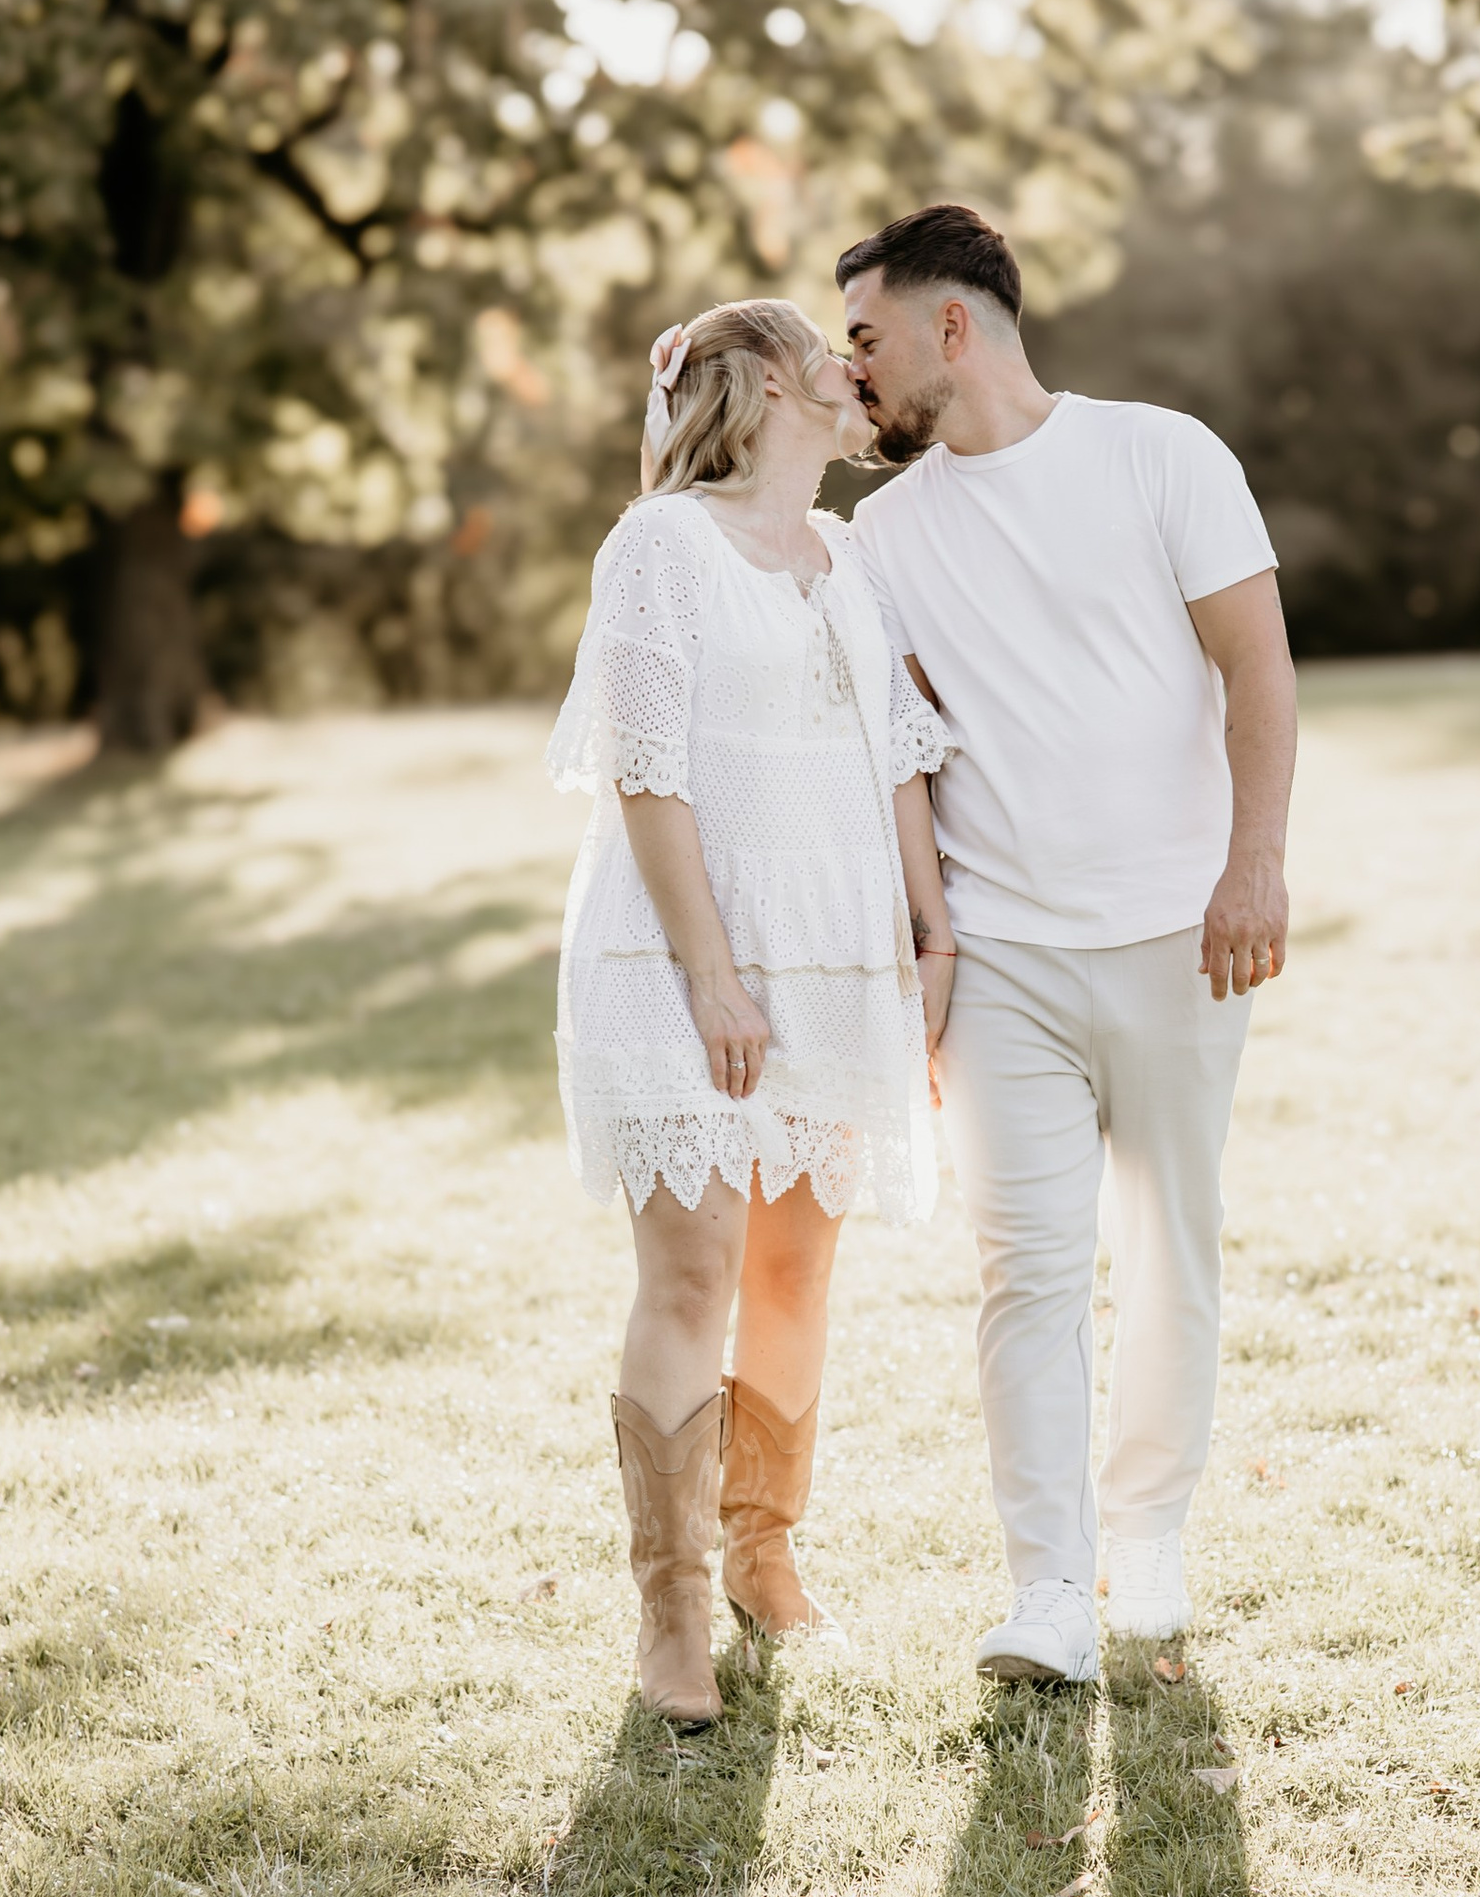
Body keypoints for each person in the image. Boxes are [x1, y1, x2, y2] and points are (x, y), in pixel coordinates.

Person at [840, 201, 1297, 1688]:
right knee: (1022, 1270)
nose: (854, 373)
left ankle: (1145, 1538)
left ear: (950, 326)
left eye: (866, 338)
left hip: (1180, 935)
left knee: (1171, 1246)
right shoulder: (883, 534)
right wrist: (927, 947)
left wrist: (1255, 867)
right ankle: (1046, 1590)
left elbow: (1258, 672)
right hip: (1003, 961)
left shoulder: (1164, 455)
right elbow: (901, 752)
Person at [549, 300, 958, 1728]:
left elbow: (900, 756)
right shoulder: (658, 546)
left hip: (837, 953)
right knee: (690, 1273)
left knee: (796, 1271)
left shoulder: (847, 555)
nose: (866, 381)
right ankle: (669, 1617)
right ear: (776, 377)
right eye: (840, 360)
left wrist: (931, 930)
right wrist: (711, 972)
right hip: (684, 953)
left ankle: (763, 1553)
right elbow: (645, 770)